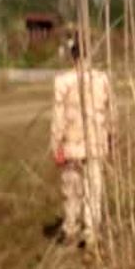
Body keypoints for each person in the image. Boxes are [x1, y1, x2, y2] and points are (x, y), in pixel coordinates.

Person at [49, 33, 114, 248]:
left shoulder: (63, 82)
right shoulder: (102, 79)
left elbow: (58, 116)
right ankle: (91, 232)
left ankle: (70, 229)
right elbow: (111, 112)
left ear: (72, 55)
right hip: (96, 144)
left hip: (71, 145)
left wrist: (56, 143)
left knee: (71, 191)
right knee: (93, 190)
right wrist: (113, 137)